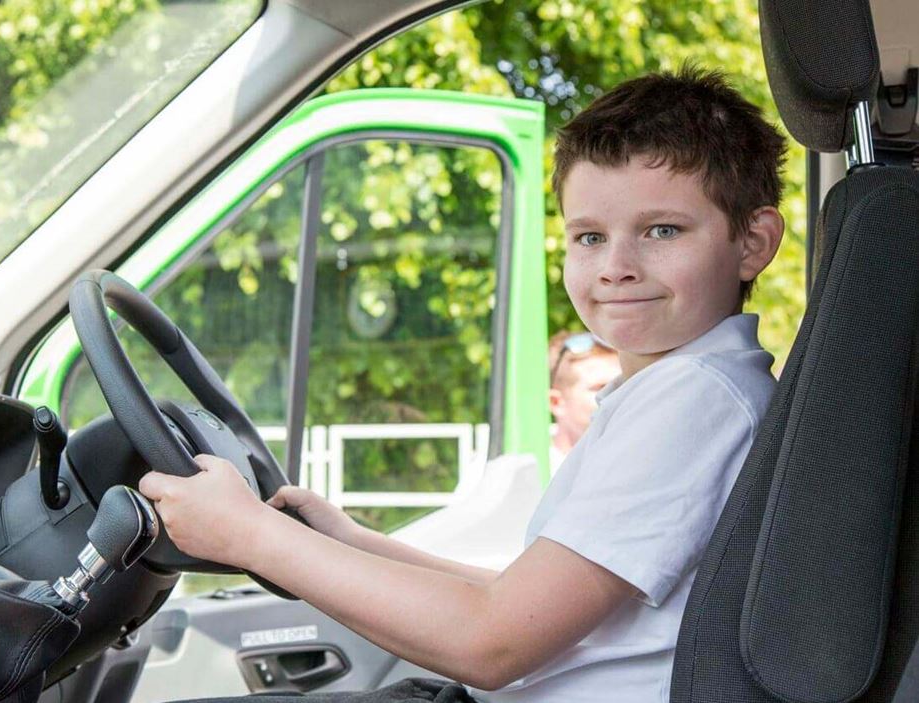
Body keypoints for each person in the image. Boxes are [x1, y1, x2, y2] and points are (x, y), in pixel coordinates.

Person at [138, 65, 787, 701]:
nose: (616, 267)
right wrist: (353, 540)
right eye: (589, 236)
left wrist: (247, 533)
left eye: (662, 230)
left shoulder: (695, 400)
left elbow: (492, 643)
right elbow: (520, 600)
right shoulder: (681, 387)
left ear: (753, 242)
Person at [547, 331, 620, 472]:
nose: (617, 395)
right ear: (556, 402)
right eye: (601, 387)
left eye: (622, 384)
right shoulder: (522, 464)